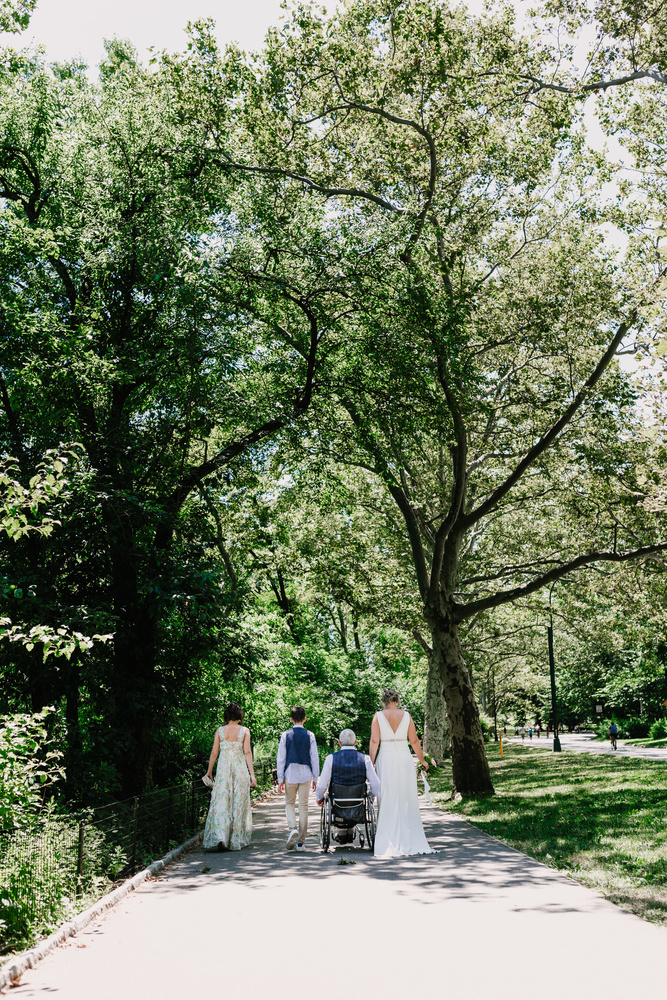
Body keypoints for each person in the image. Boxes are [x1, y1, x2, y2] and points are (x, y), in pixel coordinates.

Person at [368, 688, 435, 858]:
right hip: (404, 757)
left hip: (386, 758)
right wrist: (422, 761)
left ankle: (388, 837)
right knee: (406, 796)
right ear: (397, 700)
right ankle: (409, 836)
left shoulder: (378, 716)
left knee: (388, 794)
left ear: (384, 700)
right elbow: (413, 740)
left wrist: (371, 762)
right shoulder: (407, 716)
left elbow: (375, 740)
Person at [203, 701, 256, 851]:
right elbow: (247, 752)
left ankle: (221, 837)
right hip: (239, 770)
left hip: (224, 771)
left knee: (222, 802)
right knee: (238, 803)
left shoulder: (220, 731)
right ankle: (235, 839)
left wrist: (209, 771)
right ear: (240, 715)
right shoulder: (244, 730)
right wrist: (252, 775)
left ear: (227, 715)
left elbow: (214, 753)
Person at [315, 728, 380, 843]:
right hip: (358, 802)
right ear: (355, 742)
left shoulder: (331, 758)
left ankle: (343, 833)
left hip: (338, 802)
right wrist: (371, 794)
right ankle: (346, 833)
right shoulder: (365, 759)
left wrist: (319, 797)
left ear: (339, 743)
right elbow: (375, 784)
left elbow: (322, 784)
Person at [277, 706, 319, 852]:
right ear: (305, 719)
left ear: (291, 719)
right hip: (306, 773)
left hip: (290, 773)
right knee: (303, 806)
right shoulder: (310, 735)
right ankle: (300, 842)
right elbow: (314, 757)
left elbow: (281, 758)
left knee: (289, 803)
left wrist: (280, 779)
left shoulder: (285, 735)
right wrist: (316, 777)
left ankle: (292, 827)